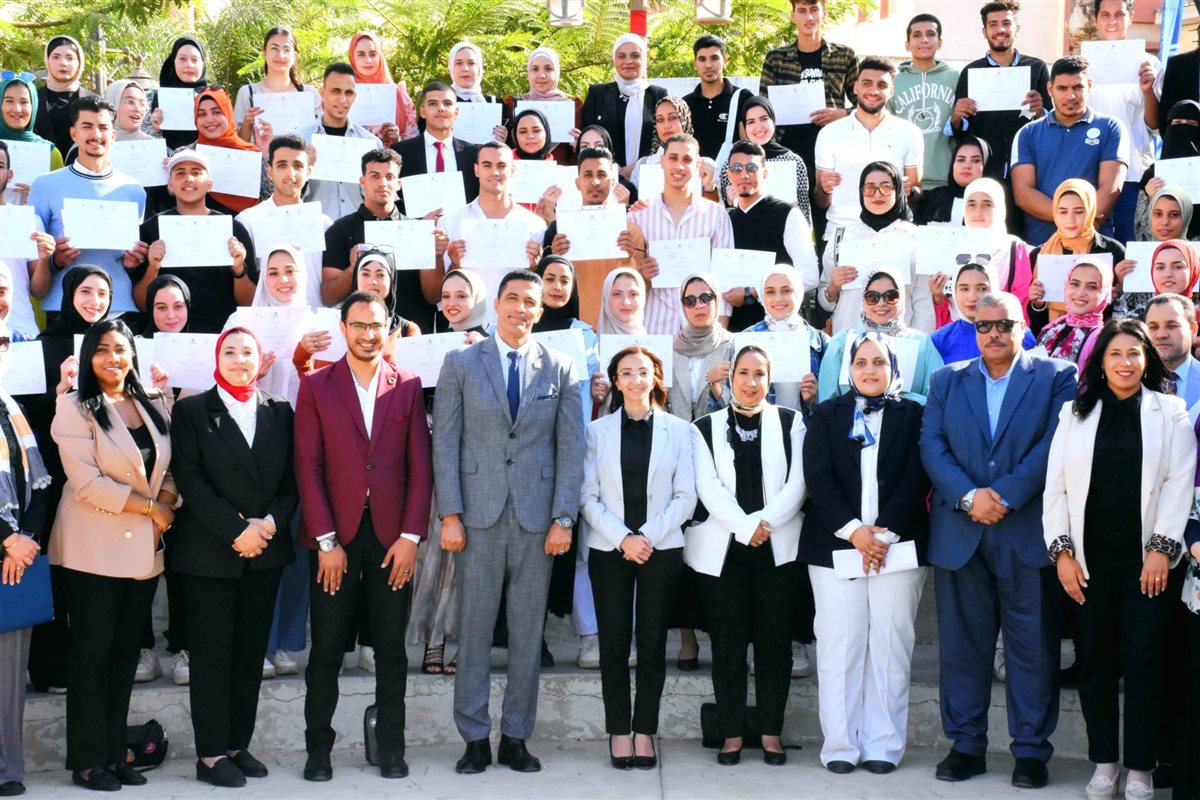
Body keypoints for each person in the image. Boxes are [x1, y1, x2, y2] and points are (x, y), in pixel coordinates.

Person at [920, 291, 1077, 788]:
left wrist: (1004, 495)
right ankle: (966, 745)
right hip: (961, 531)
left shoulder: (1057, 376)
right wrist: (970, 497)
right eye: (984, 325)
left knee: (1032, 649)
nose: (993, 333)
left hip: (1025, 530)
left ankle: (1030, 750)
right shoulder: (947, 379)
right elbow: (932, 445)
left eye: (1004, 324)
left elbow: (1055, 444)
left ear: (1021, 327)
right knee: (962, 649)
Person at [433, 269, 584, 774]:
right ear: (496, 304)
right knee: (474, 629)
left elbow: (571, 448)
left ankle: (516, 736)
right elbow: (445, 442)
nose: (521, 308)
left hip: (537, 520)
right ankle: (474, 737)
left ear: (541, 311)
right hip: (477, 515)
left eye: (531, 302)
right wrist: (450, 514)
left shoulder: (561, 367)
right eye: (513, 298)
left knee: (526, 631)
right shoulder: (460, 363)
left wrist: (563, 517)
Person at [1043, 317, 1193, 800]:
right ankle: (1104, 763)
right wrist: (1062, 555)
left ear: (1146, 359)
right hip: (1088, 564)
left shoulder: (1170, 411)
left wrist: (1162, 550)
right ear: (1100, 362)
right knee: (1095, 665)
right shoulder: (1074, 413)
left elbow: (1178, 482)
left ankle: (1141, 768)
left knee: (1146, 664)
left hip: (1148, 566)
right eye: (1115, 353)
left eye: (1134, 353)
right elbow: (1055, 489)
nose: (1125, 362)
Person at [294, 291, 432, 782]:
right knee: (327, 651)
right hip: (337, 539)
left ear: (387, 329)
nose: (368, 334)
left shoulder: (408, 385)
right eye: (359, 325)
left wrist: (411, 537)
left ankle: (391, 749)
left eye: (376, 325)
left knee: (391, 650)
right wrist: (326, 542)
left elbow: (420, 468)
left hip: (392, 540)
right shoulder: (317, 384)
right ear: (343, 328)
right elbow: (307, 468)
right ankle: (318, 751)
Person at [169, 327, 298, 787]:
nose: (239, 359)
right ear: (216, 358)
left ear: (260, 360)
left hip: (264, 550)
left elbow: (292, 481)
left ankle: (235, 746)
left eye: (247, 352)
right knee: (212, 655)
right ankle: (209, 755)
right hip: (210, 552)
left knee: (249, 654)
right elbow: (190, 479)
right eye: (230, 351)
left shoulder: (280, 410)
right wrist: (237, 530)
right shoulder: (191, 411)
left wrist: (268, 525)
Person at [50, 318, 175, 792]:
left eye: (121, 349)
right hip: (92, 551)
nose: (112, 358)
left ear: (132, 355)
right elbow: (86, 483)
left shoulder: (154, 402)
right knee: (91, 656)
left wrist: (169, 501)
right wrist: (151, 508)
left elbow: (169, 466)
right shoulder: (73, 406)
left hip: (143, 552)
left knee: (124, 656)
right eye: (102, 350)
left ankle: (114, 753)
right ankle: (87, 762)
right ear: (88, 357)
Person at [801, 331, 929, 774]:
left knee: (891, 647)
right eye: (861, 363)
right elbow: (818, 477)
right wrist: (855, 533)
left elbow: (917, 476)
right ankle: (840, 745)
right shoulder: (826, 413)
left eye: (879, 362)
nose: (870, 370)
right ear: (848, 369)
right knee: (840, 646)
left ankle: (883, 745)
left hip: (898, 547)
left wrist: (883, 535)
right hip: (835, 546)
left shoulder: (914, 414)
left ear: (894, 368)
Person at [687, 344, 806, 766]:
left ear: (769, 380)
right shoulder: (704, 427)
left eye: (759, 374)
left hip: (778, 549)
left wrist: (763, 524)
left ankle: (771, 733)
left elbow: (798, 483)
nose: (751, 382)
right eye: (743, 373)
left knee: (775, 644)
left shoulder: (792, 422)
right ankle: (732, 733)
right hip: (724, 553)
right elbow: (707, 486)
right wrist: (744, 527)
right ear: (730, 376)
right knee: (728, 645)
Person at [581, 345, 696, 770]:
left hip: (660, 550)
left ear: (655, 378)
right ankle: (618, 730)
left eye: (642, 372)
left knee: (651, 643)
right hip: (609, 549)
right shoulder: (596, 432)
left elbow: (686, 496)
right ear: (615, 381)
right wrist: (623, 538)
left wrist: (645, 536)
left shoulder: (680, 431)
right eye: (626, 373)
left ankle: (644, 729)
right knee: (613, 643)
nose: (635, 380)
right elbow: (586, 496)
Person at [27, 96, 146, 316]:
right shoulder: (44, 185)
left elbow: (131, 258)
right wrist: (55, 260)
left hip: (119, 308)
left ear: (113, 135)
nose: (96, 135)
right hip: (62, 306)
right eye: (87, 126)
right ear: (74, 133)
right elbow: (34, 264)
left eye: (103, 128)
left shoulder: (134, 190)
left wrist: (134, 260)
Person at [0, 318, 52, 798]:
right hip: (7, 548)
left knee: (10, 675)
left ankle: (6, 770)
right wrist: (6, 538)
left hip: (16, 559)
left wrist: (27, 537)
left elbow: (40, 482)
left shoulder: (11, 407)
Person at [128, 149, 257, 332]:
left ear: (209, 184)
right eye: (180, 173)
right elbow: (142, 304)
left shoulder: (233, 229)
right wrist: (153, 268)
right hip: (167, 334)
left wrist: (238, 269)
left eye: (196, 173)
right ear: (170, 184)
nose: (188, 178)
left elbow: (249, 303)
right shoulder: (151, 230)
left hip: (221, 334)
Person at [758, 0, 859, 226]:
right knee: (785, 221)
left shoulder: (844, 55)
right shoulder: (776, 58)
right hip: (786, 153)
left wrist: (843, 113)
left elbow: (864, 104)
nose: (809, 17)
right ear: (793, 15)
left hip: (831, 152)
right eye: (802, 11)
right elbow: (763, 108)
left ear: (824, 13)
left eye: (814, 10)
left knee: (830, 220)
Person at [322, 148, 444, 332]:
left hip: (411, 334)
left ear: (399, 183)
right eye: (375, 176)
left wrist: (437, 256)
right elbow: (329, 297)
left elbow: (433, 296)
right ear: (362, 182)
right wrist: (353, 269)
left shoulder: (417, 230)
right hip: (362, 336)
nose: (383, 183)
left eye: (389, 177)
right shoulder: (340, 230)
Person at [1011, 56, 1127, 245]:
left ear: (1089, 86)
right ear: (1050, 89)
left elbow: (1111, 188)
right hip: (1041, 245)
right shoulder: (1027, 133)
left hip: (1094, 245)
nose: (1070, 96)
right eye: (1062, 88)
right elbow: (1023, 194)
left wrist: (1079, 227)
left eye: (1077, 87)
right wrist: (1070, 223)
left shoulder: (1111, 127)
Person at [626, 134, 733, 335]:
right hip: (653, 328)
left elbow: (724, 281)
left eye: (687, 159)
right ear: (662, 161)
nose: (679, 166)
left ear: (698, 165)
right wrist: (642, 274)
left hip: (702, 331)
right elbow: (626, 280)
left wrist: (719, 334)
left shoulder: (716, 215)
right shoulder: (638, 217)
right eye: (673, 158)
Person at [813, 56, 924, 236]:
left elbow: (918, 193)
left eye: (882, 85)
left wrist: (910, 191)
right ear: (856, 87)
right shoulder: (829, 133)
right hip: (843, 230)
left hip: (893, 232)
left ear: (891, 91)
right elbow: (820, 199)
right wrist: (825, 189)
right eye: (867, 83)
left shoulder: (910, 133)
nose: (873, 90)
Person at [819, 161, 931, 333]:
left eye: (886, 187)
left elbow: (924, 301)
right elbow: (825, 301)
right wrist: (834, 286)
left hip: (898, 340)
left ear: (898, 190)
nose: (877, 194)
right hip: (849, 337)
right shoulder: (841, 236)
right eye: (869, 188)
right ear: (861, 192)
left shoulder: (914, 237)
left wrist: (919, 342)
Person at [949, 1, 1050, 191]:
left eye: (1007, 23)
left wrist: (1040, 111)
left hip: (1029, 169)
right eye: (993, 24)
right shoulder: (970, 72)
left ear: (1017, 29)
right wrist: (956, 118)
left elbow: (1052, 122)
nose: (1000, 30)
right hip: (986, 172)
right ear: (984, 31)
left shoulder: (1037, 68)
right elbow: (962, 133)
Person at [438, 142, 546, 318]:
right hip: (465, 325)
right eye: (487, 165)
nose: (494, 172)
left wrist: (534, 266)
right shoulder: (450, 221)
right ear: (476, 170)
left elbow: (538, 289)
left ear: (513, 170)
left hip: (514, 323)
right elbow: (437, 290)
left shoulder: (536, 225)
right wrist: (455, 264)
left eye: (501, 166)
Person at [542, 145, 644, 327]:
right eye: (588, 175)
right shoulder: (560, 229)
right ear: (578, 183)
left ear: (612, 182)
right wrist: (555, 258)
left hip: (616, 327)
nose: (595, 182)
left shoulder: (630, 231)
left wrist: (629, 258)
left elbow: (643, 287)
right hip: (574, 326)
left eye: (602, 175)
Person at [1088, 0, 1162, 244]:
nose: (1112, 21)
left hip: (1134, 173)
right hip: (1090, 172)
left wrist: (1148, 90)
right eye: (1105, 14)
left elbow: (1155, 126)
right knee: (1094, 245)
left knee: (1131, 244)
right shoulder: (1082, 65)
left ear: (1130, 16)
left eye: (1119, 14)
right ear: (1096, 19)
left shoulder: (1149, 64)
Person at [235, 134, 331, 308]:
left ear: (308, 172)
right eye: (282, 165)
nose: (290, 173)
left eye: (298, 166)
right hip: (267, 320)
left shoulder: (324, 224)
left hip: (314, 318)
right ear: (270, 171)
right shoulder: (247, 221)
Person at [820, 269, 943, 404]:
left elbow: (937, 401)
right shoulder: (841, 343)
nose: (881, 303)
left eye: (891, 296)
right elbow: (826, 402)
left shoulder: (922, 343)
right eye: (872, 297)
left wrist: (900, 399)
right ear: (863, 300)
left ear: (902, 298)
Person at [1026, 179, 1124, 331]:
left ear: (1090, 210)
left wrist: (1119, 290)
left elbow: (1122, 313)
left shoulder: (1112, 250)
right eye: (1062, 212)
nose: (1070, 220)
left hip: (1099, 338)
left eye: (1079, 212)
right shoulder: (1039, 255)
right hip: (1052, 338)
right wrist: (1037, 303)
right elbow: (1034, 321)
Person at [296, 63, 383, 222]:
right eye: (336, 91)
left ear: (354, 96)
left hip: (358, 230)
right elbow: (286, 193)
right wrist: (302, 167)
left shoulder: (371, 143)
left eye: (348, 93)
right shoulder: (299, 140)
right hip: (315, 227)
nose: (343, 99)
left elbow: (380, 198)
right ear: (323, 93)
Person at [889, 14, 959, 194]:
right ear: (907, 44)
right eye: (917, 35)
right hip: (905, 182)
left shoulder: (955, 77)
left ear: (940, 42)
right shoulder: (894, 81)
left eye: (931, 34)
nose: (924, 40)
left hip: (944, 180)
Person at [745, 265, 827, 413]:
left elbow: (833, 402)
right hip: (760, 425)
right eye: (770, 292)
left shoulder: (821, 342)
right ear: (762, 296)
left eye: (786, 290)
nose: (778, 298)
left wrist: (814, 398)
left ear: (799, 292)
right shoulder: (746, 339)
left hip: (804, 425)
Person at [581, 35, 667, 174]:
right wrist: (614, 167)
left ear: (644, 59)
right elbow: (587, 133)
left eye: (635, 56)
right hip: (604, 173)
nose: (628, 61)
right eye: (621, 56)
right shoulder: (597, 93)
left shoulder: (657, 94)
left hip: (647, 173)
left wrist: (635, 168)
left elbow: (665, 138)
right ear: (614, 60)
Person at [716, 98, 812, 223]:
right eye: (751, 122)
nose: (758, 127)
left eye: (764, 119)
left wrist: (795, 212)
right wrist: (729, 202)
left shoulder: (794, 161)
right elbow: (722, 221)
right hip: (745, 232)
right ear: (744, 126)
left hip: (782, 230)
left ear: (773, 120)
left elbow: (805, 217)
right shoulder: (732, 164)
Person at [392, 82, 482, 207]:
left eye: (447, 103)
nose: (441, 108)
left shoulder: (473, 153)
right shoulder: (401, 152)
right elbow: (394, 198)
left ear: (456, 112)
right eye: (433, 104)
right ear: (422, 111)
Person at [931, 261, 1036, 363]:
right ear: (954, 291)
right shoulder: (940, 339)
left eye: (982, 289)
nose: (972, 298)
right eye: (964, 289)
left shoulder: (1019, 333)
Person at [0, 141, 52, 339]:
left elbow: (39, 291)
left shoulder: (28, 220)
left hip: (21, 333)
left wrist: (45, 258)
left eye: (0, 166)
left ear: (9, 175)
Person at [234, 26, 322, 141]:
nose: (280, 55)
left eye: (287, 50)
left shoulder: (309, 93)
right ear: (264, 53)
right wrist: (247, 123)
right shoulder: (248, 93)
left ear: (295, 56)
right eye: (274, 48)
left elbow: (321, 138)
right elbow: (237, 145)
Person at [504, 47, 580, 165]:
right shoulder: (514, 106)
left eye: (548, 69)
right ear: (529, 72)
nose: (542, 75)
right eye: (535, 69)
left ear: (557, 72)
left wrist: (579, 146)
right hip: (520, 172)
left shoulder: (573, 109)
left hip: (560, 173)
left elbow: (578, 160)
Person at [683, 35, 753, 162]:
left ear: (725, 60)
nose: (708, 65)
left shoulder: (742, 98)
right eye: (702, 59)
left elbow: (750, 148)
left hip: (734, 172)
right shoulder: (685, 104)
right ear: (695, 64)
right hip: (695, 172)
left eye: (714, 58)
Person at [1033, 259, 1111, 364]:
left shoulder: (1103, 340)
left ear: (1105, 292)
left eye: (1092, 287)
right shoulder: (1052, 328)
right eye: (1075, 284)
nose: (1080, 293)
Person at [348, 31, 418, 145]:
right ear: (352, 57)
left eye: (373, 54)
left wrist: (398, 138)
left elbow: (414, 140)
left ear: (380, 56)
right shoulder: (343, 93)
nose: (368, 60)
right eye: (361, 54)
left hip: (391, 156)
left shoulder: (398, 95)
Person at [33, 36, 96, 157]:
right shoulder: (32, 99)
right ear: (47, 60)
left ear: (79, 63)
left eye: (70, 58)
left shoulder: (94, 102)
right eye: (56, 57)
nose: (63, 63)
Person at [1116, 233, 1199, 323]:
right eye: (1160, 267)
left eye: (1178, 267)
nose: (1167, 274)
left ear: (1193, 269)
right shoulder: (1135, 324)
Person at [915, 135, 990, 226]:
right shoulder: (933, 199)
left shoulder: (995, 201)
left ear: (986, 165)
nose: (967, 166)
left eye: (975, 160)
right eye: (961, 160)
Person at [151, 37, 209, 151]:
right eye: (182, 59)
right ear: (173, 62)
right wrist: (155, 129)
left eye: (195, 60)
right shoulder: (153, 99)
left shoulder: (214, 98)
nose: (189, 65)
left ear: (203, 64)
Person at [1146, 293, 1200, 414]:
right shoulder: (1131, 380)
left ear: (1193, 330)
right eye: (1153, 327)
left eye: (1172, 326)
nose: (1161, 335)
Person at [0, 76, 65, 178]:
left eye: (24, 102)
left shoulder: (51, 154)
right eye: (9, 101)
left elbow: (58, 188)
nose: (17, 109)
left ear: (34, 106)